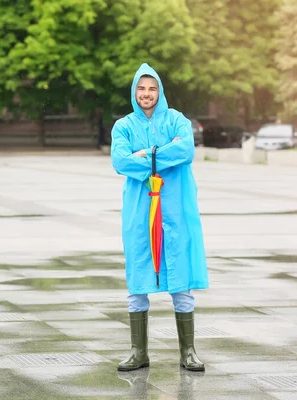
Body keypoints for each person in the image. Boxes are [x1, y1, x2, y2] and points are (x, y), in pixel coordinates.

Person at [110, 63, 209, 372]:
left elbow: (186, 151)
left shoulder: (177, 120)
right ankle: (138, 352)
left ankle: (188, 351)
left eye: (152, 89)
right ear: (134, 92)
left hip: (175, 208)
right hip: (140, 212)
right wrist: (163, 154)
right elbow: (120, 161)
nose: (146, 94)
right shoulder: (123, 126)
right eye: (141, 89)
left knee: (180, 275)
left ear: (160, 92)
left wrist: (147, 155)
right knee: (138, 276)